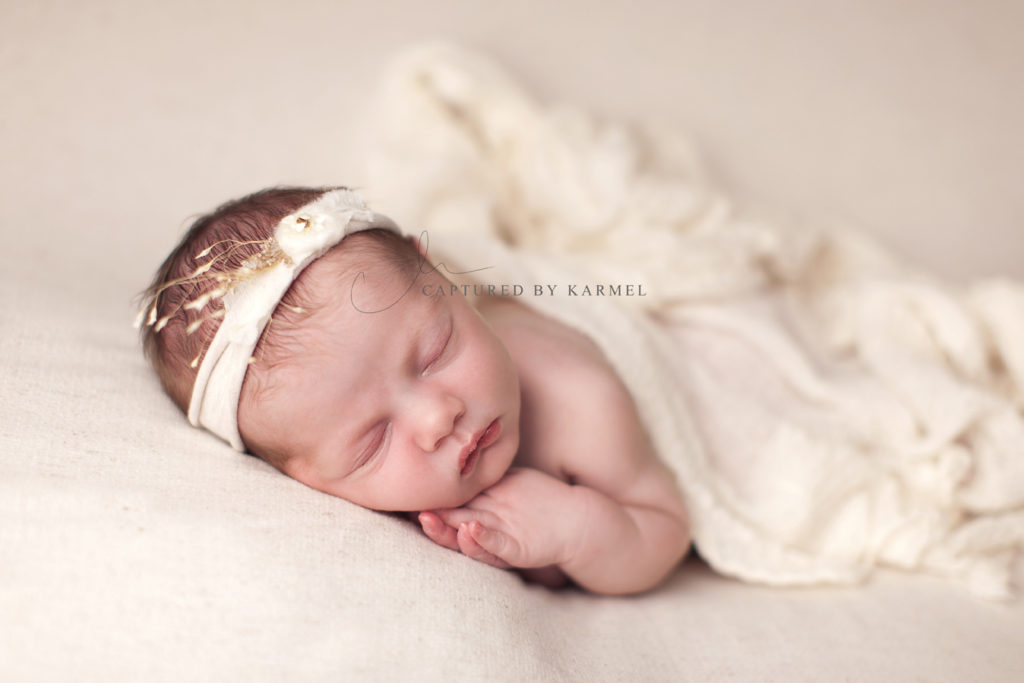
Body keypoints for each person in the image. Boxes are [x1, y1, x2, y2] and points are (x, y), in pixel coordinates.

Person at [139, 185, 691, 595]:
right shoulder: (362, 493)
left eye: (434, 354)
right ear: (305, 479)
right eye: (372, 441)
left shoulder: (579, 398)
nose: (437, 419)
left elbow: (667, 531)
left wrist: (578, 529)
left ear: (439, 280)